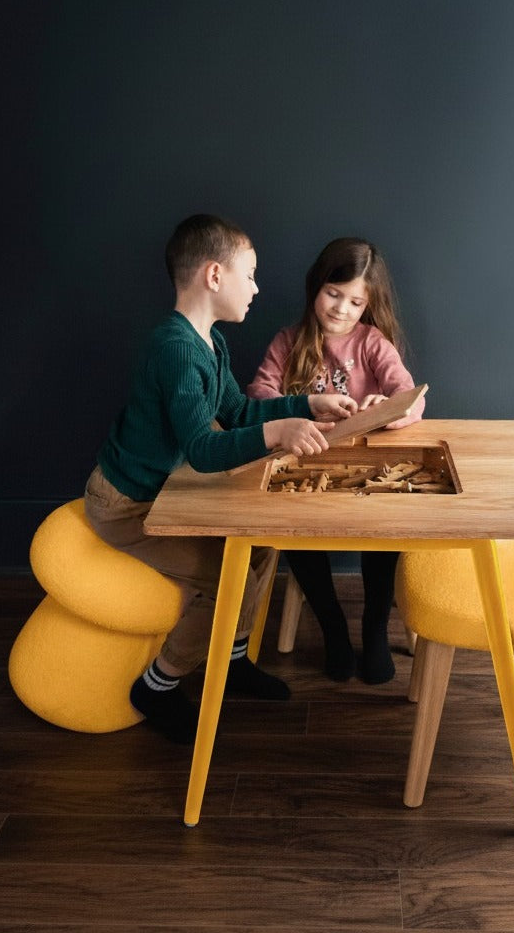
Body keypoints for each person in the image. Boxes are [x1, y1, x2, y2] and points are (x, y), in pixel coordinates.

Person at [84, 214, 358, 743]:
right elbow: (205, 451)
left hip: (161, 494)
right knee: (221, 578)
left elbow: (233, 411)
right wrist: (280, 431)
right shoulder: (176, 349)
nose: (256, 287)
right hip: (125, 504)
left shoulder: (209, 341)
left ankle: (229, 661)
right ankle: (157, 686)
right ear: (215, 276)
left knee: (259, 548)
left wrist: (307, 403)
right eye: (250, 274)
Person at [247, 237, 424, 684]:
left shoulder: (372, 342)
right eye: (334, 293)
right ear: (316, 286)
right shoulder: (288, 341)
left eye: (355, 301)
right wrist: (305, 405)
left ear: (367, 305)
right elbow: (258, 396)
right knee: (295, 534)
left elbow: (411, 399)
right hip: (307, 469)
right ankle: (333, 630)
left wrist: (384, 408)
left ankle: (374, 628)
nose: (342, 309)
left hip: (365, 475)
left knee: (386, 534)